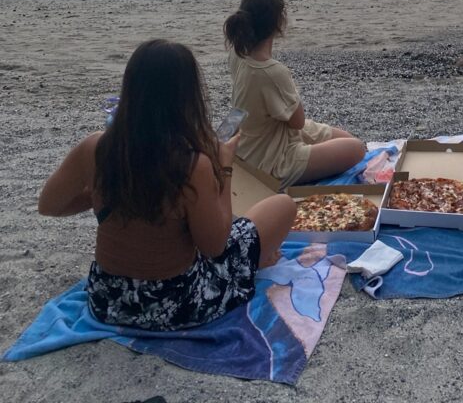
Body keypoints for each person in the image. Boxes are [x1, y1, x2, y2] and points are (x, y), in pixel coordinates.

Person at [38, 40, 296, 331]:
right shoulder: (191, 164)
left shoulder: (96, 148)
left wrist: (114, 187)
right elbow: (213, 246)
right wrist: (223, 167)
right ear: (187, 97)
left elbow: (49, 205)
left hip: (107, 299)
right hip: (175, 305)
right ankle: (261, 260)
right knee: (282, 205)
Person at [225, 0, 365, 186]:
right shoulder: (271, 71)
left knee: (346, 138)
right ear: (278, 23)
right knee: (356, 148)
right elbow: (297, 122)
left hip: (268, 133)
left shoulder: (237, 53)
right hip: (269, 158)